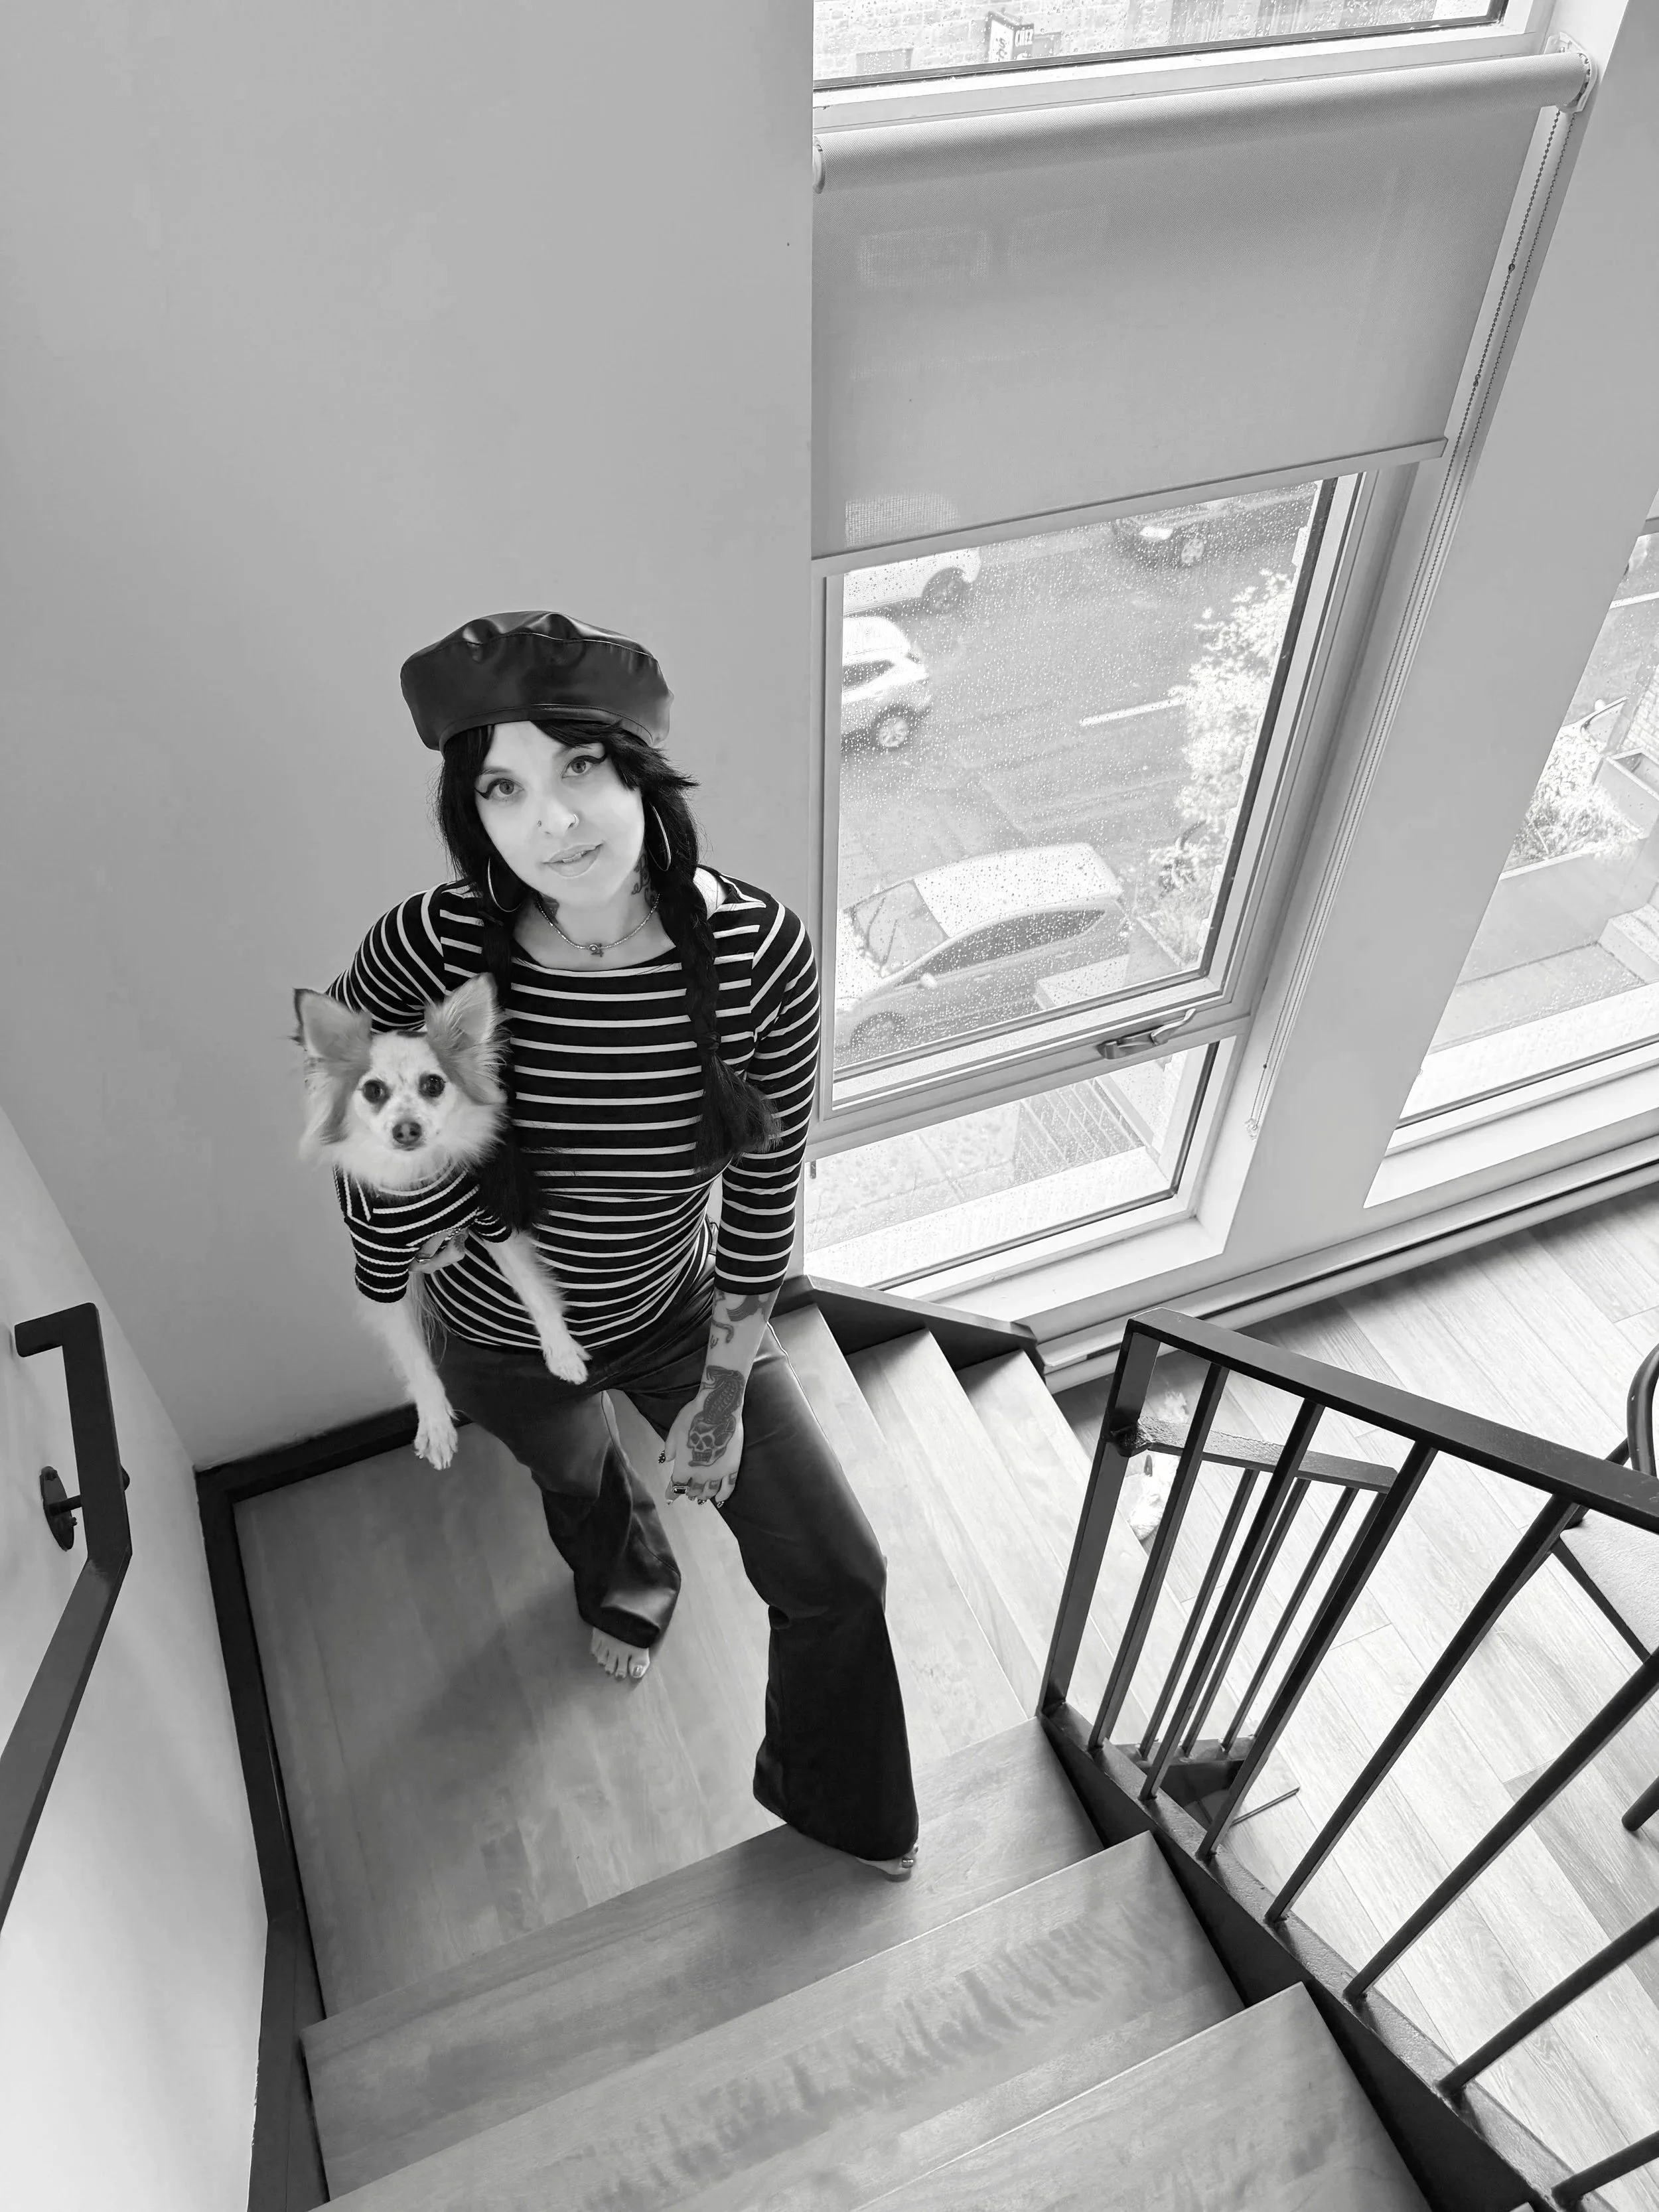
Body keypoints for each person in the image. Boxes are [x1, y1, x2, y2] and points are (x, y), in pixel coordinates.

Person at [323, 610, 920, 1877]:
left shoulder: (758, 952)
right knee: (581, 1487)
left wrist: (719, 1395)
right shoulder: (430, 948)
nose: (551, 821)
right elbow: (363, 1132)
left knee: (838, 1572)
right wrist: (415, 1209)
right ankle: (630, 1586)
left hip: (677, 1314)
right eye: (503, 787)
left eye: (579, 766)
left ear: (641, 767)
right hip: (495, 1333)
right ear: (470, 811)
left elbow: (764, 1200)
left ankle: (835, 1802)